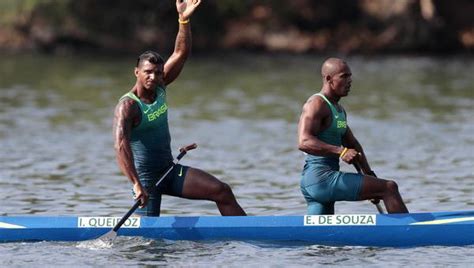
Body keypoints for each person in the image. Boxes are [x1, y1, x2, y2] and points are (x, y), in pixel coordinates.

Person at [113, 0, 246, 217]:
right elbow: (121, 147)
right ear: (136, 72)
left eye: (157, 72)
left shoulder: (160, 86)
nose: (153, 77)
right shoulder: (128, 107)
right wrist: (136, 184)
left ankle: (246, 236)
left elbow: (181, 52)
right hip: (146, 179)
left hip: (169, 170)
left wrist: (183, 20)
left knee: (222, 191)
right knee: (148, 244)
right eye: (147, 72)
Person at [297, 57, 409, 215]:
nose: (349, 81)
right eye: (344, 76)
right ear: (328, 79)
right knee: (389, 188)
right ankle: (408, 234)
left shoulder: (339, 112)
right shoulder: (317, 104)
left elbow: (352, 143)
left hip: (321, 183)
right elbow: (304, 141)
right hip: (321, 179)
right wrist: (340, 151)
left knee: (320, 237)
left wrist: (368, 173)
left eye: (350, 76)